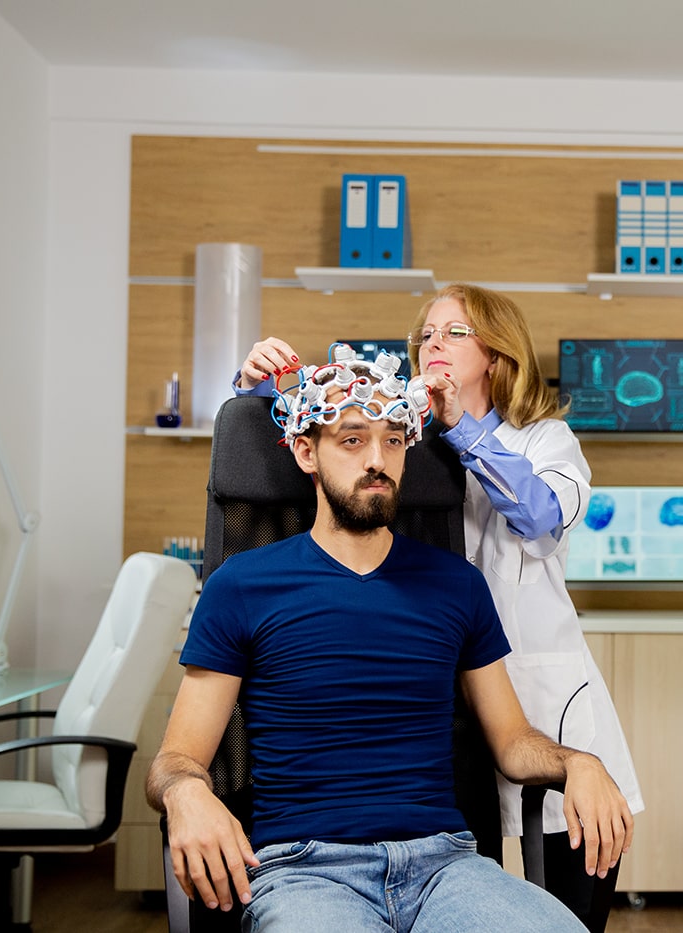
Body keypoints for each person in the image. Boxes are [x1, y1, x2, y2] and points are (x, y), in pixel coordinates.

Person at [148, 353, 631, 932]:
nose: (377, 460)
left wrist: (580, 761)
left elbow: (513, 743)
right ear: (307, 452)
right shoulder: (242, 586)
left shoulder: (456, 584)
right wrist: (185, 794)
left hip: (445, 865)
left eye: (394, 440)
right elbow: (175, 760)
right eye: (352, 440)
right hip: (304, 870)